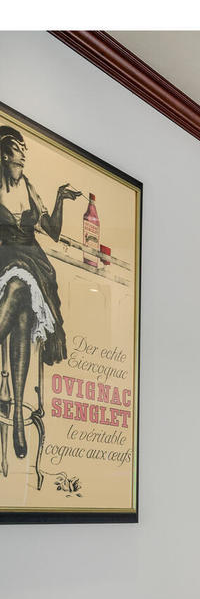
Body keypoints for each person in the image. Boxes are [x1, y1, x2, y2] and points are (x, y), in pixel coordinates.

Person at [0, 125, 83, 459]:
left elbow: (53, 232)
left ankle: (19, 412)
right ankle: (18, 414)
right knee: (18, 289)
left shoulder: (30, 186)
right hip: (6, 260)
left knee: (24, 309)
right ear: (4, 153)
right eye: (18, 146)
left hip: (34, 260)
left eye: (24, 146)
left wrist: (61, 197)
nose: (24, 150)